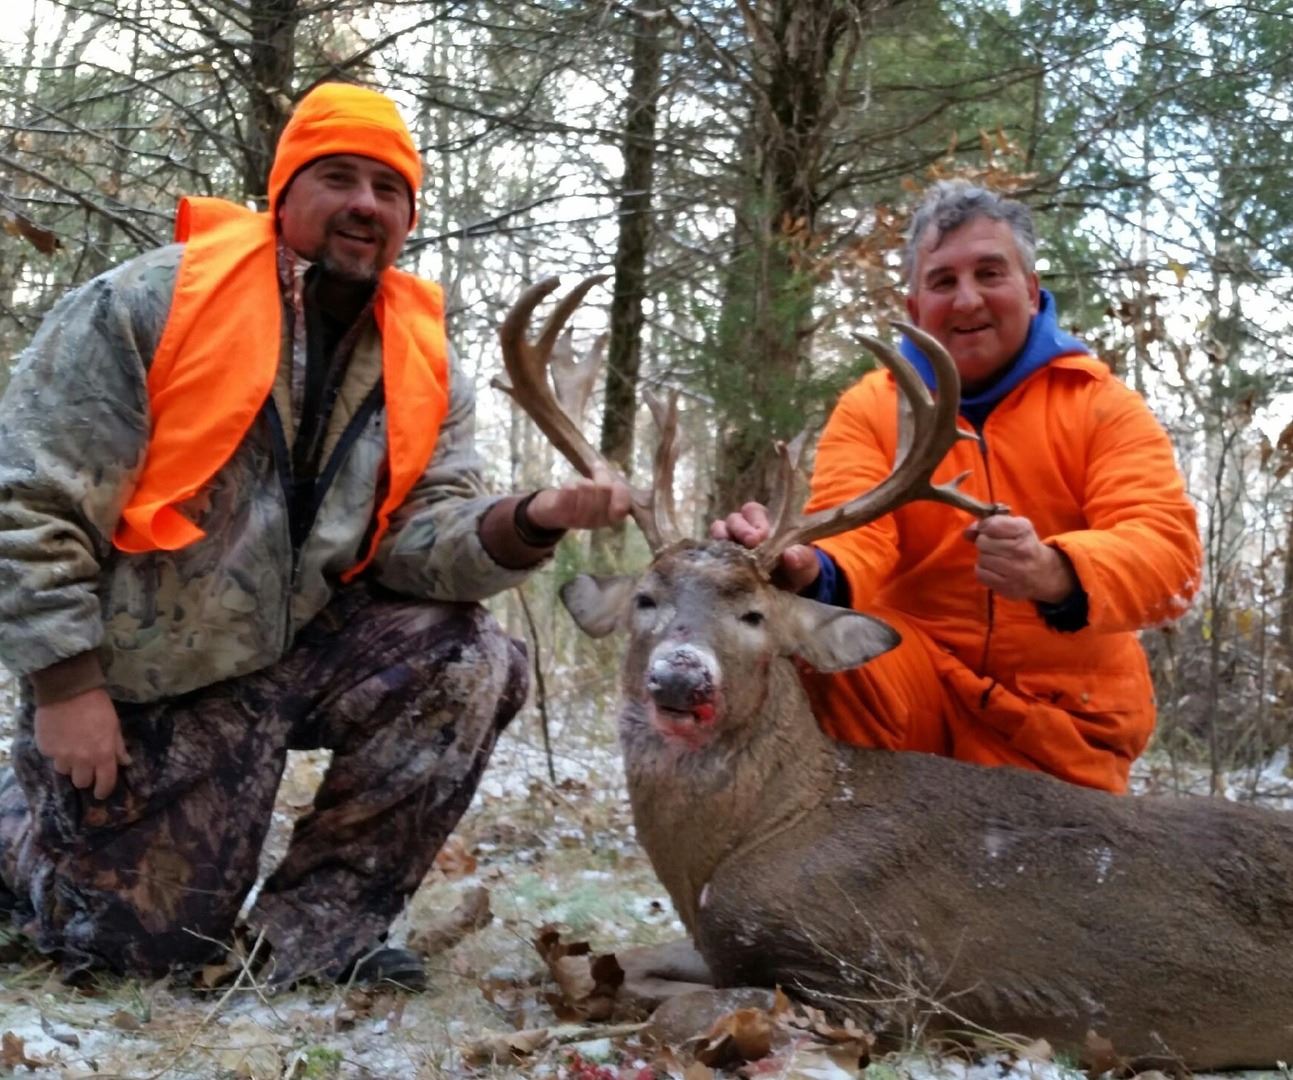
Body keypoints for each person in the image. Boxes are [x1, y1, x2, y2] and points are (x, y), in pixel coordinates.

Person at [0, 82, 630, 987]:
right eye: (338, 178)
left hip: (297, 653)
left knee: (469, 657)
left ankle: (317, 932)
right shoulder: (147, 304)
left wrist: (531, 518)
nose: (364, 204)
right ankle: (18, 826)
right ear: (283, 193)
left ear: (407, 217)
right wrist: (65, 685)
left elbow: (417, 540)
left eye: (388, 189)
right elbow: (30, 497)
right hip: (149, 680)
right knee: (130, 953)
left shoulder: (421, 361)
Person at [714, 180, 1201, 794]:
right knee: (814, 645)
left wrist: (1057, 571)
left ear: (1031, 289)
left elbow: (1170, 559)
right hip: (918, 708)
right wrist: (810, 568)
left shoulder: (1099, 404)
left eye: (989, 273)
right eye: (943, 281)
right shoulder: (872, 410)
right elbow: (857, 535)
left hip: (1066, 728)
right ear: (915, 305)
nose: (967, 299)